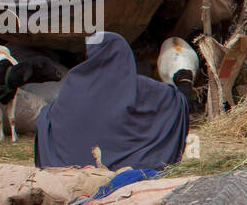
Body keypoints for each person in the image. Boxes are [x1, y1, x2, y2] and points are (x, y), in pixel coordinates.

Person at [35, 32, 189, 170]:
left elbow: (54, 113)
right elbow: (176, 101)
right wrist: (184, 82)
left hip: (70, 166)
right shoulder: (138, 86)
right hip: (131, 165)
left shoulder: (74, 82)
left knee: (46, 114)